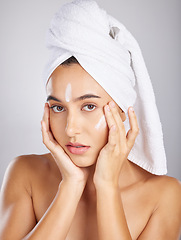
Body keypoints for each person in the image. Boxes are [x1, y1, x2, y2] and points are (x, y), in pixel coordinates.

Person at [0, 1, 181, 239]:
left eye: (89, 106)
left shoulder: (164, 195)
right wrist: (71, 186)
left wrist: (107, 185)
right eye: (57, 107)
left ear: (123, 111)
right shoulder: (24, 174)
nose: (70, 128)